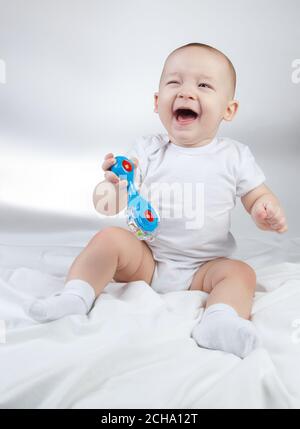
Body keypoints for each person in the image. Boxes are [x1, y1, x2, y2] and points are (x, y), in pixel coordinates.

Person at [26, 43, 288, 359]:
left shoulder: (234, 156)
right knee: (108, 238)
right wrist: (111, 190)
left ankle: (219, 320)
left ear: (228, 110)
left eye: (203, 85)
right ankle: (76, 294)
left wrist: (265, 209)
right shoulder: (147, 150)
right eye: (174, 82)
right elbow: (112, 201)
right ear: (156, 101)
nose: (186, 93)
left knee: (241, 273)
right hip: (148, 259)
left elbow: (256, 194)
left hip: (204, 269)